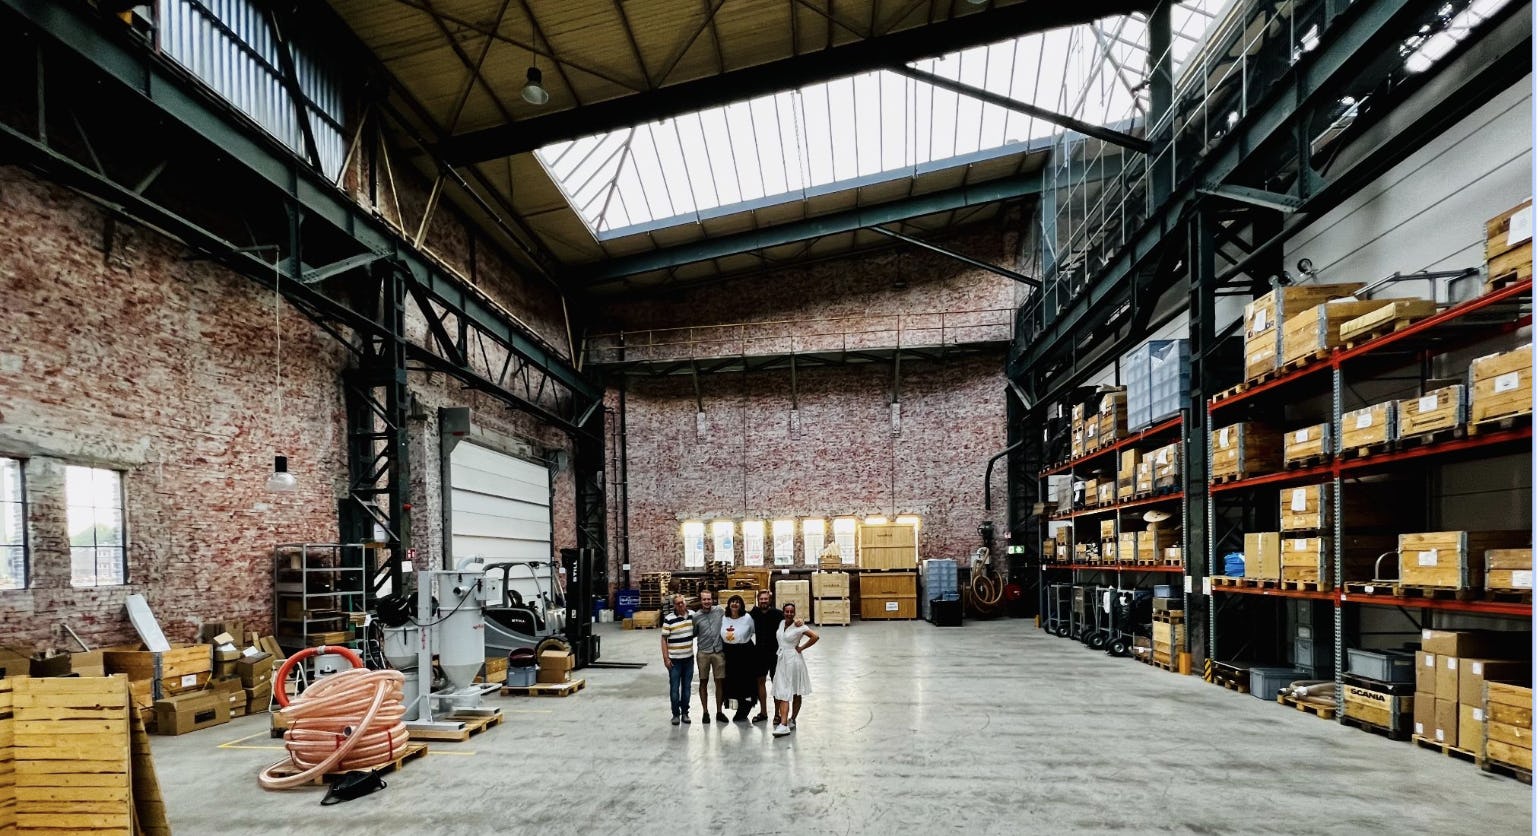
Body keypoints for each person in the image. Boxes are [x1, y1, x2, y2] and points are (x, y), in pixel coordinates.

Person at [771, 602, 818, 737]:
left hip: (794, 661)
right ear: (783, 612)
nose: (789, 614)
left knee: (795, 691)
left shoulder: (799, 626)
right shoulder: (781, 623)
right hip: (782, 660)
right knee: (783, 690)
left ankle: (788, 722)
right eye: (787, 611)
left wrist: (801, 648)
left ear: (794, 613)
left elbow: (815, 636)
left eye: (792, 611)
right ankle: (785, 722)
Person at [719, 595, 757, 722]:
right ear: (728, 604)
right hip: (729, 652)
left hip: (744, 653)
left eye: (737, 602)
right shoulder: (724, 618)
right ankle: (737, 705)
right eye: (732, 602)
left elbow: (753, 630)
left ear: (741, 605)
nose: (734, 604)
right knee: (732, 681)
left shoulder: (747, 618)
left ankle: (745, 708)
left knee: (744, 681)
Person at [692, 590, 727, 723]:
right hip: (703, 653)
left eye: (709, 599)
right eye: (704, 599)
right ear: (700, 601)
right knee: (703, 682)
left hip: (718, 652)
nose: (707, 602)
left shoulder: (719, 611)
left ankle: (719, 711)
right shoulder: (696, 617)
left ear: (712, 599)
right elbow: (694, 633)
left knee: (719, 682)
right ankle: (705, 712)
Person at [660, 594, 695, 725]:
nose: (680, 605)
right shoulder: (669, 619)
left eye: (682, 602)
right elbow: (664, 639)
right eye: (677, 603)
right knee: (674, 689)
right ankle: (675, 714)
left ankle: (685, 713)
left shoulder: (692, 615)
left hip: (689, 660)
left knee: (687, 688)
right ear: (674, 605)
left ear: (685, 603)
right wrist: (666, 658)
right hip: (674, 661)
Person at [748, 589, 780, 724]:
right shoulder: (754, 613)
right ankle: (763, 712)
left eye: (766, 599)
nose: (763, 601)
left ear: (770, 600)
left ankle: (777, 714)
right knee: (760, 682)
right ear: (758, 600)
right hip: (759, 654)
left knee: (776, 683)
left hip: (775, 654)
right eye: (761, 599)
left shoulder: (778, 614)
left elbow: (789, 624)